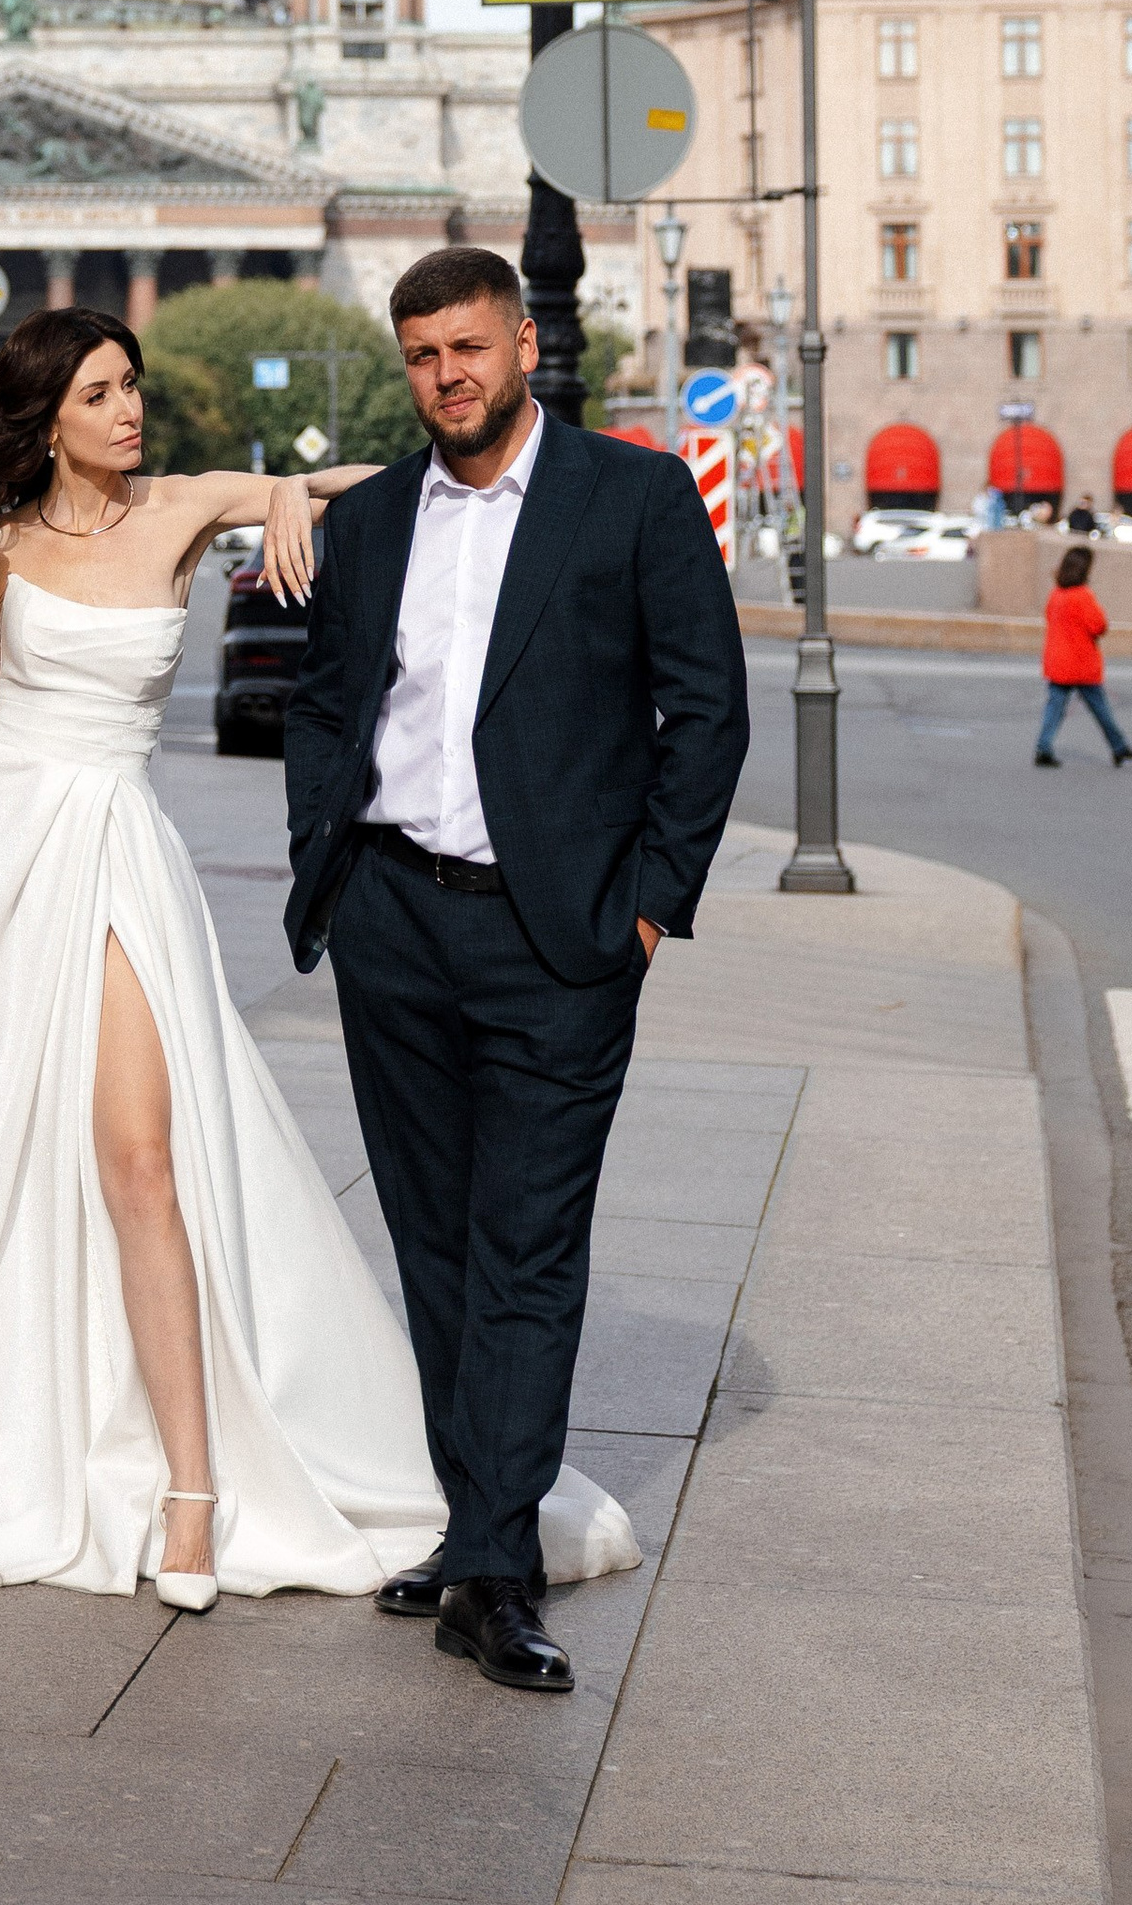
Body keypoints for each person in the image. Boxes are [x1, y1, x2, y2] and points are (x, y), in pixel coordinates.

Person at [0, 305, 640, 1612]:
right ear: (46, 419)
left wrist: (298, 485)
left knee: (139, 1159)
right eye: (102, 394)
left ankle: (192, 1489)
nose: (131, 410)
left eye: (131, 385)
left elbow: (379, 483)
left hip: (117, 854)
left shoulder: (183, 508)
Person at [284, 246, 748, 1696]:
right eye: (423, 357)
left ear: (525, 342)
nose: (448, 379)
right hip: (395, 924)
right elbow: (322, 702)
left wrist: (648, 912)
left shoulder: (634, 499)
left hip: (560, 941)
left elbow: (709, 713)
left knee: (528, 1246)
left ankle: (496, 1564)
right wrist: (332, 858)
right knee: (435, 1243)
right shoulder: (367, 527)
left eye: (469, 350)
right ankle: (474, 1520)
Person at [1037, 546, 1132, 766]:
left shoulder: (1057, 594)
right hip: (1081, 663)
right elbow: (1099, 625)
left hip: (1058, 661)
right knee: (1101, 709)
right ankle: (1119, 746)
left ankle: (1043, 746)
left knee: (1054, 708)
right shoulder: (1083, 595)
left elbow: (1049, 618)